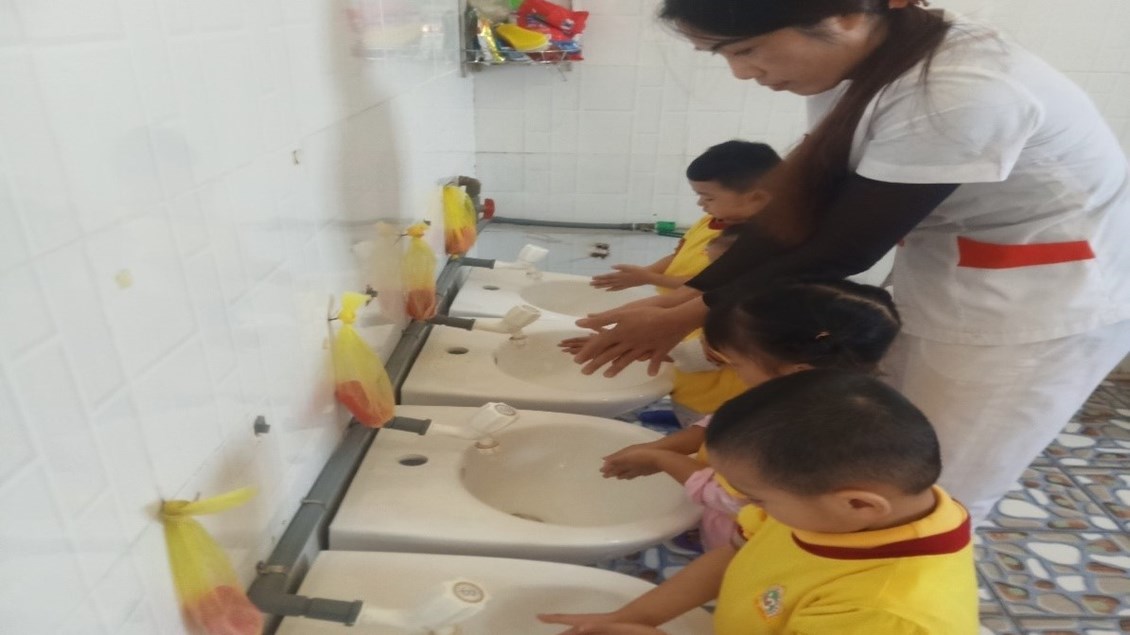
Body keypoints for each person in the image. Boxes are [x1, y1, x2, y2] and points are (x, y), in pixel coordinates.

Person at [570, 0, 1130, 523]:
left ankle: (891, 585)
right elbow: (802, 209)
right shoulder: (864, 65)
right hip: (951, 280)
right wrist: (687, 296)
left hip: (1036, 308)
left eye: (745, 49)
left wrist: (686, 314)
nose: (741, 73)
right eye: (723, 55)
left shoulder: (960, 88)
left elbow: (843, 247)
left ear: (842, 15)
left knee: (938, 483)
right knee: (882, 448)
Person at [539, 370, 979, 635]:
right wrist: (633, 617)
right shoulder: (829, 511)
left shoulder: (886, 614)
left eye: (755, 497)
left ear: (860, 504)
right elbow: (733, 554)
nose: (748, 506)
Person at [599, 279, 901, 550]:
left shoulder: (803, 434)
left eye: (736, 363)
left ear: (797, 370)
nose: (734, 371)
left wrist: (661, 460)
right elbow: (721, 423)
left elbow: (730, 498)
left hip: (742, 538)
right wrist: (660, 447)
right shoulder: (793, 392)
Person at [590, 140, 782, 426]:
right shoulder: (713, 223)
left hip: (718, 392)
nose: (701, 204)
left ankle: (691, 426)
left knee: (702, 409)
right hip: (687, 327)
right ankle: (682, 415)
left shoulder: (754, 251)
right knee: (685, 387)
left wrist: (630, 342)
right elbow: (681, 258)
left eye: (707, 196)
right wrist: (646, 281)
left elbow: (695, 350)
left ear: (756, 197)